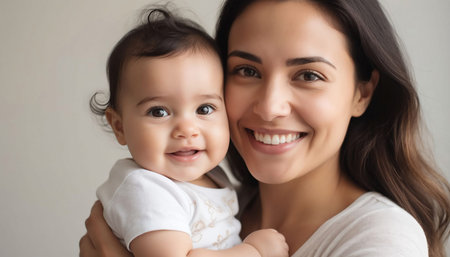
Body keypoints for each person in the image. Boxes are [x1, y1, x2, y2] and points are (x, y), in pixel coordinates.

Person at [80, 1, 450, 257]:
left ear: (361, 93)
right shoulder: (212, 206)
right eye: (247, 71)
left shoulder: (381, 239)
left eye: (308, 75)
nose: (271, 107)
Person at [88, 7, 289, 257]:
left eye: (204, 109)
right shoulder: (145, 188)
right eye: (159, 112)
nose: (186, 130)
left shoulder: (211, 176)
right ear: (119, 126)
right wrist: (254, 251)